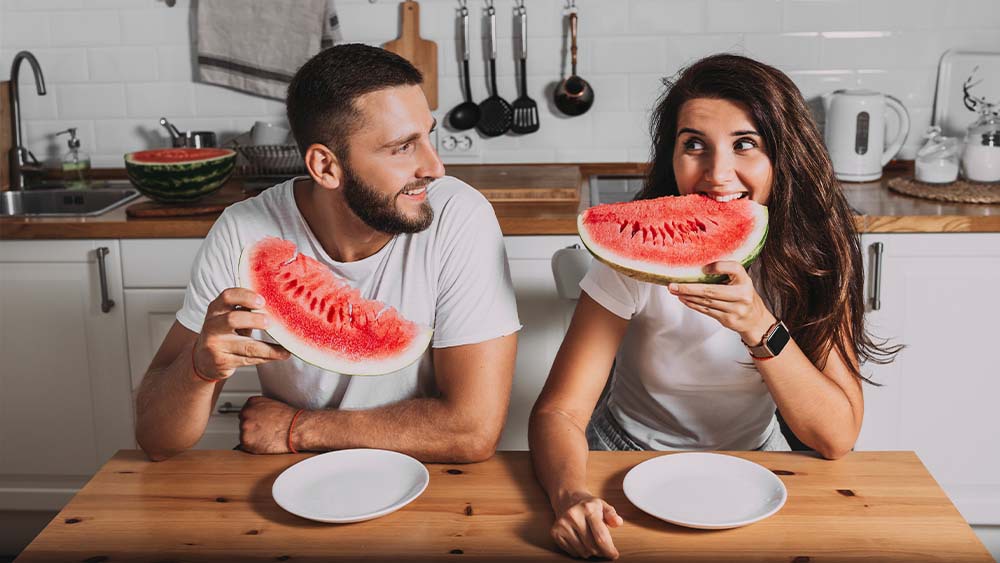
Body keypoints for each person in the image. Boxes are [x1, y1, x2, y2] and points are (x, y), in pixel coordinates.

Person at [528, 54, 899, 560]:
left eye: (744, 144)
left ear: (783, 155)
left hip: (755, 464)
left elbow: (836, 437)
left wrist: (758, 324)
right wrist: (569, 495)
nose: (717, 173)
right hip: (620, 457)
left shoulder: (814, 259)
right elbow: (559, 411)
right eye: (694, 145)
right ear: (672, 156)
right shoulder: (633, 259)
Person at [135, 44, 521, 463]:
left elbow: (472, 430)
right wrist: (198, 370)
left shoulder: (459, 217)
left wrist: (297, 428)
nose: (435, 166)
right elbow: (156, 439)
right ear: (325, 167)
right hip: (291, 476)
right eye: (403, 148)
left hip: (420, 471)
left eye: (428, 135)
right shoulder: (244, 231)